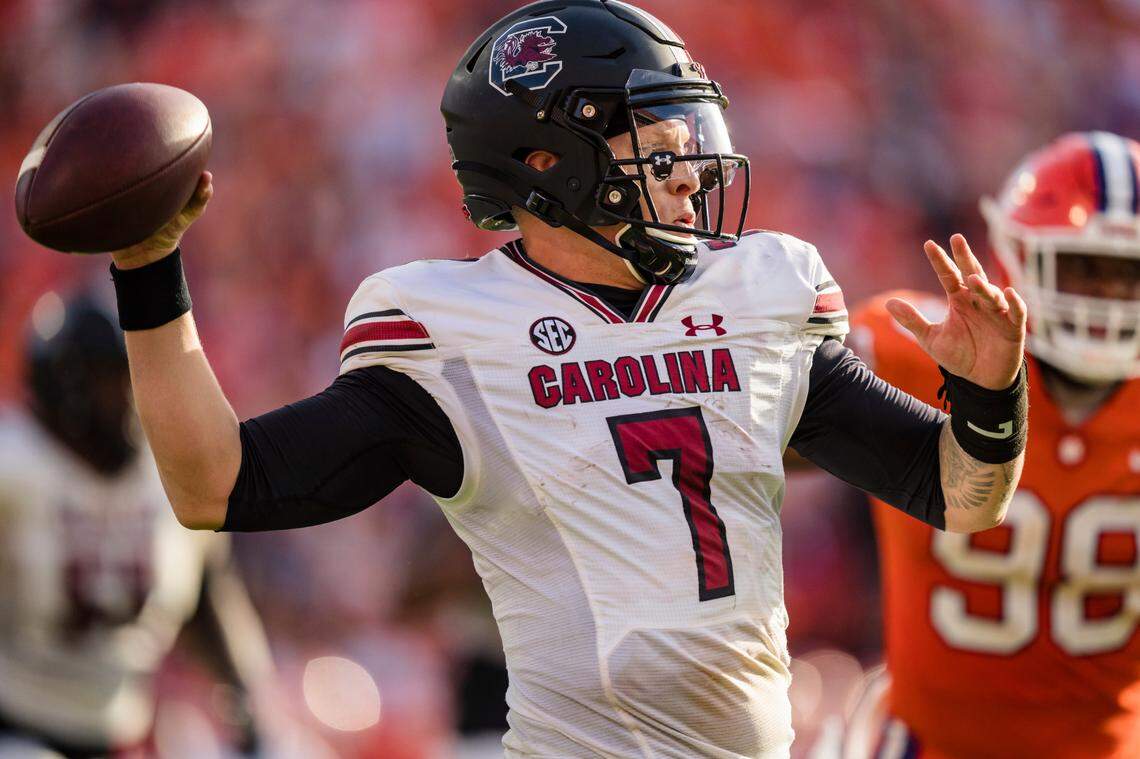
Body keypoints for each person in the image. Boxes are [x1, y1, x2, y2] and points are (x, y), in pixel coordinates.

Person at [91, 2, 1028, 755]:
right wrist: (147, 270)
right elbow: (216, 481)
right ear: (549, 161)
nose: (691, 170)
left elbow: (958, 496)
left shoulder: (760, 293)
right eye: (659, 141)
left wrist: (990, 397)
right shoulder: (450, 332)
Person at [849, 131, 1140, 759]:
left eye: (1129, 274)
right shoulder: (918, 349)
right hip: (926, 744)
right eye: (1085, 267)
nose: (1110, 299)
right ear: (1019, 258)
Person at [0, 294, 273, 758]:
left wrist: (245, 699)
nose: (130, 396)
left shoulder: (168, 475)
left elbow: (208, 599)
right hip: (15, 723)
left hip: (123, 729)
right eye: (114, 380)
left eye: (133, 377)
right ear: (69, 390)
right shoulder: (16, 467)